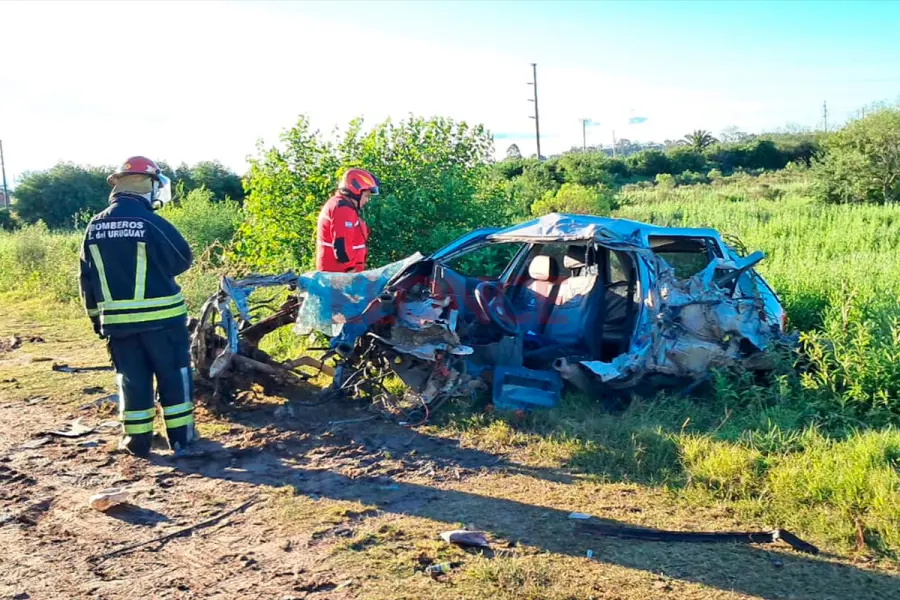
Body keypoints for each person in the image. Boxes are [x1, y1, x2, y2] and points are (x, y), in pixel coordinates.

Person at [78, 156, 196, 458]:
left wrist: (97, 321)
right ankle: (181, 440)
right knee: (173, 378)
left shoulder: (94, 226)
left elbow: (86, 281)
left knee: (132, 381)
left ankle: (137, 443)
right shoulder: (149, 222)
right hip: (163, 323)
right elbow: (182, 259)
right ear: (148, 186)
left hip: (118, 326)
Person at [315, 168, 380, 273]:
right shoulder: (343, 209)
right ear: (356, 192)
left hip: (339, 273)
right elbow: (342, 245)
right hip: (339, 274)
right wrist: (350, 269)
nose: (367, 200)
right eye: (366, 196)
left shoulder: (341, 205)